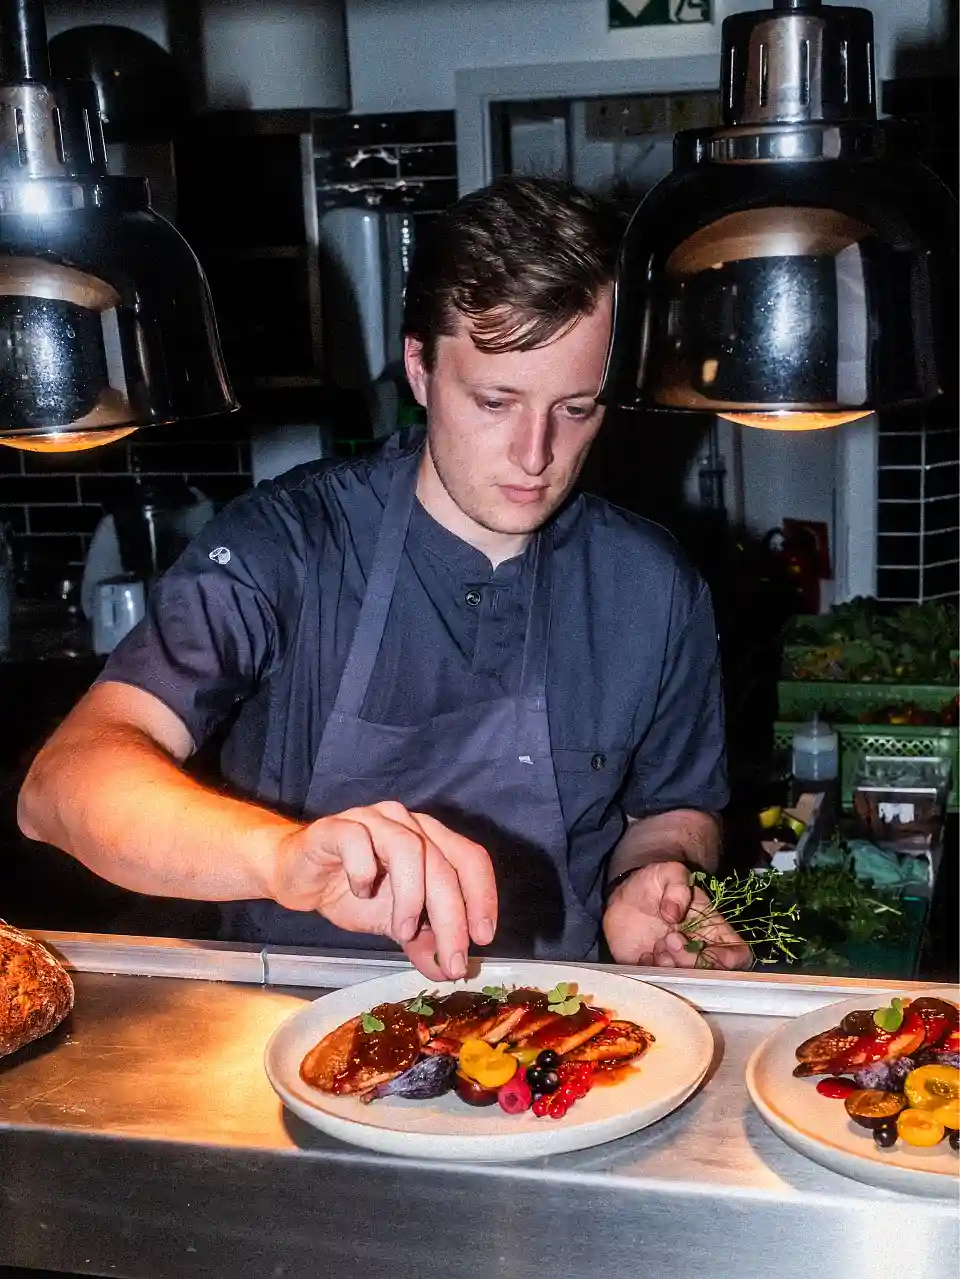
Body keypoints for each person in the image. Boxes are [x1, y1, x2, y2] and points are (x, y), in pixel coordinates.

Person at [18, 176, 751, 981]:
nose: (535, 453)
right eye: (495, 401)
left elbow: (673, 809)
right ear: (421, 369)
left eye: (576, 409)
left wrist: (647, 877)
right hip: (286, 1028)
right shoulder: (289, 546)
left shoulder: (652, 586)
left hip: (556, 1038)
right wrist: (281, 855)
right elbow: (60, 786)